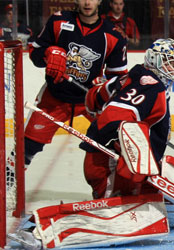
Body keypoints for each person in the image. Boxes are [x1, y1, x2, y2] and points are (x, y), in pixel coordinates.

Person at [81, 38, 174, 226]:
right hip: (112, 166)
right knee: (172, 198)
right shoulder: (152, 86)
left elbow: (92, 100)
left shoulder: (132, 76)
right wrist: (124, 146)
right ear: (155, 60)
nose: (173, 69)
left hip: (106, 161)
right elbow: (114, 116)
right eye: (170, 63)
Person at [24, 0, 128, 168]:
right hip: (54, 97)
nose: (87, 2)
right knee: (27, 147)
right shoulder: (59, 21)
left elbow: (118, 78)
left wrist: (105, 85)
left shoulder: (113, 35)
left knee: (118, 144)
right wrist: (49, 53)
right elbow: (35, 54)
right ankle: (8, 185)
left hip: (91, 101)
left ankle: (115, 188)